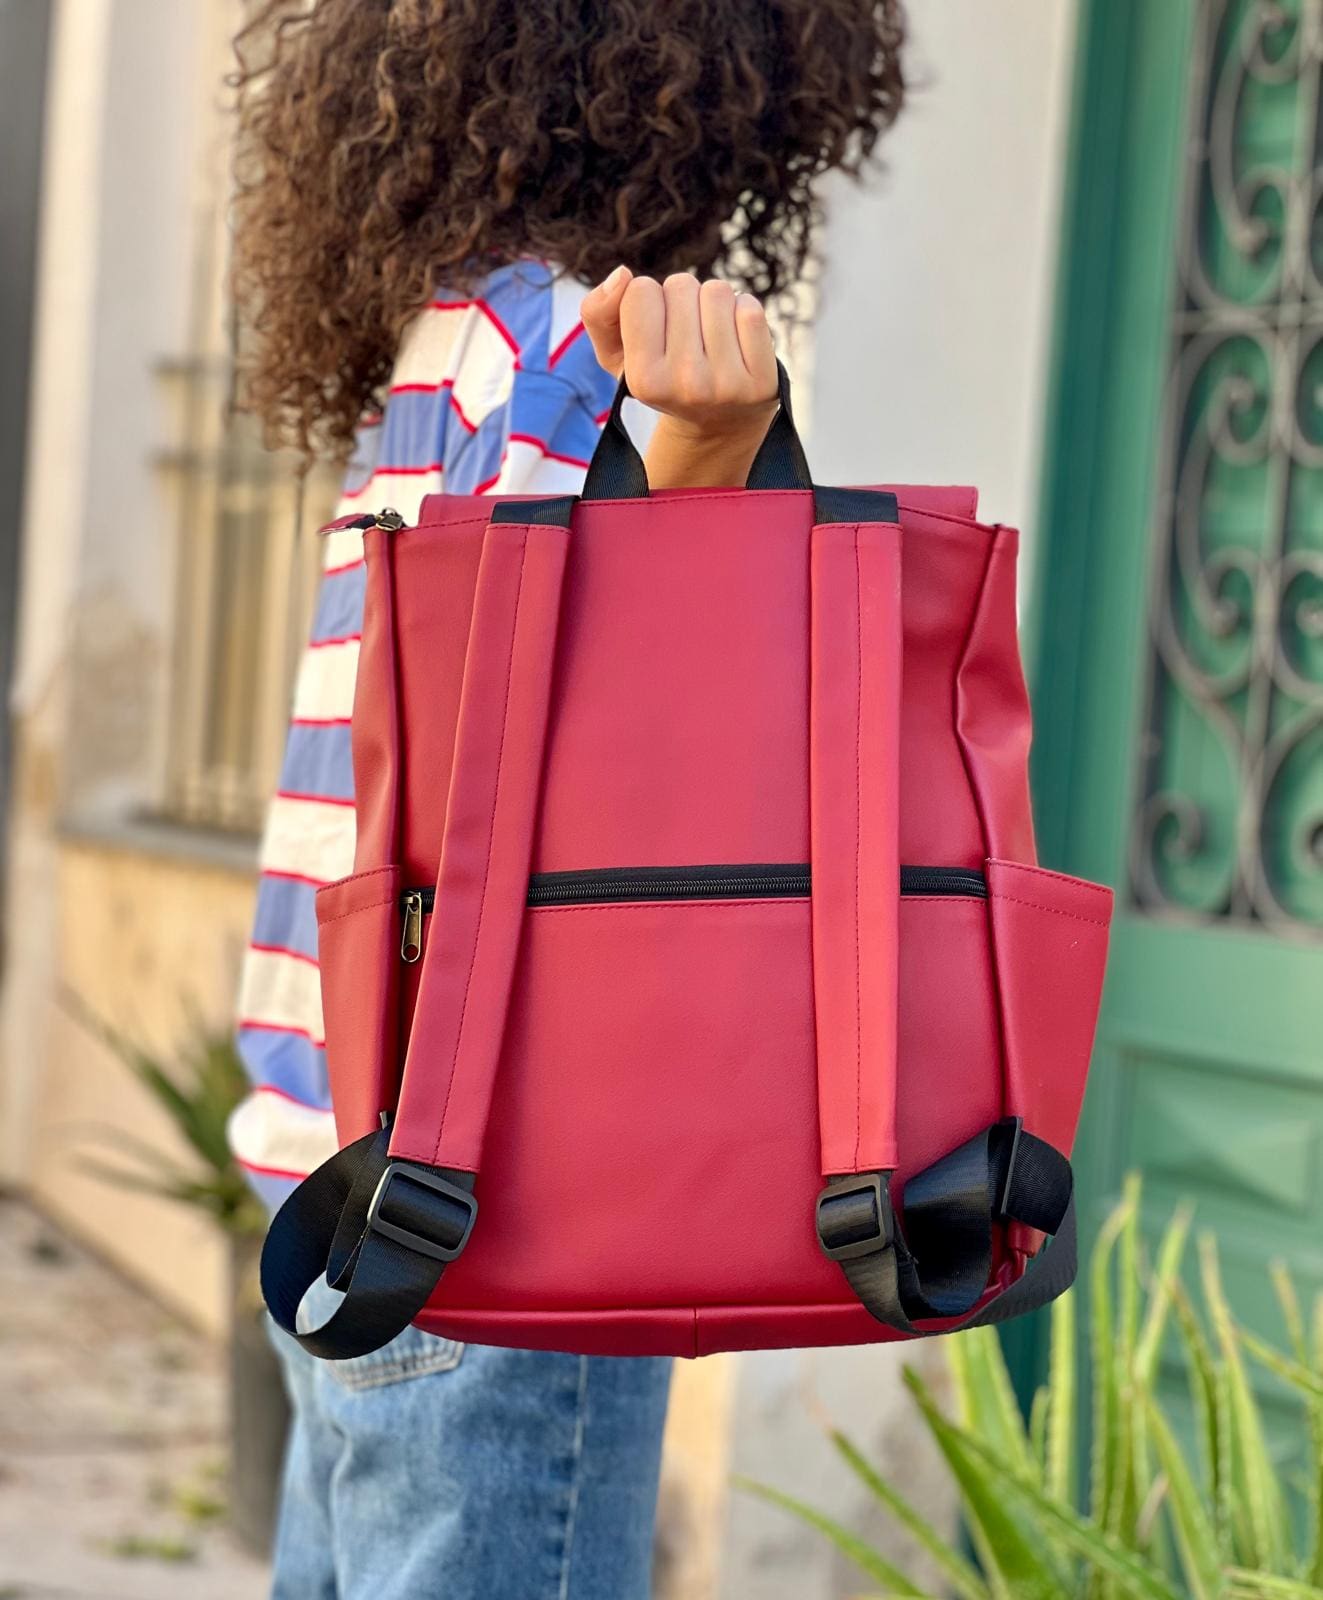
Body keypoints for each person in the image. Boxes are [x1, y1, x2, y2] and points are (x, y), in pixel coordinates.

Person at [224, 3, 906, 1596]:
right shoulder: (570, 355)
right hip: (501, 1211)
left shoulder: (450, 333)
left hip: (331, 1166)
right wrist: (716, 455)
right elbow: (606, 742)